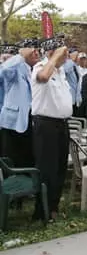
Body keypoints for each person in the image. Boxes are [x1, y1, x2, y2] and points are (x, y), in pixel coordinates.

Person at [30, 38, 72, 222]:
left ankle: (53, 208)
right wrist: (53, 58)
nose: (67, 55)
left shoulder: (61, 71)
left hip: (62, 125)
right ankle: (42, 211)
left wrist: (57, 61)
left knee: (60, 169)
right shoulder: (40, 67)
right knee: (47, 170)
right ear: (51, 53)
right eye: (64, 52)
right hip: (45, 125)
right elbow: (43, 78)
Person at [0, 39, 39, 167]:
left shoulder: (37, 70)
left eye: (38, 50)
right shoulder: (15, 68)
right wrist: (20, 56)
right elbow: (4, 70)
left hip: (31, 120)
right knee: (12, 159)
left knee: (28, 158)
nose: (36, 53)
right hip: (14, 121)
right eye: (33, 51)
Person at [64, 47, 82, 117]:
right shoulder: (67, 64)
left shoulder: (76, 66)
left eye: (77, 56)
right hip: (69, 99)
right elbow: (65, 70)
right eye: (76, 56)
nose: (77, 58)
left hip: (75, 99)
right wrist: (71, 60)